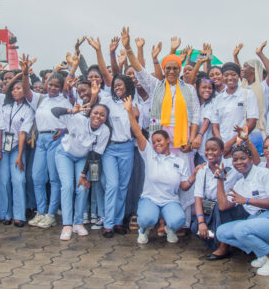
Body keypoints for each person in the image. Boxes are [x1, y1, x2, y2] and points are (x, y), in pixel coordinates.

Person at [122, 27, 200, 232]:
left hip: (182, 143)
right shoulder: (156, 87)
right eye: (168, 69)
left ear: (180, 69)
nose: (172, 72)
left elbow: (195, 117)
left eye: (176, 68)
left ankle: (180, 223)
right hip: (160, 143)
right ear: (164, 70)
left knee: (180, 181)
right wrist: (129, 48)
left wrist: (191, 141)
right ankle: (159, 221)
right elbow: (139, 70)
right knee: (157, 180)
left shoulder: (189, 89)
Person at [124, 95, 195, 245]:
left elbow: (184, 186)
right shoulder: (149, 155)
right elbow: (137, 132)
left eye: (159, 141)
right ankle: (143, 230)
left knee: (179, 220)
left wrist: (194, 175)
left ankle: (170, 228)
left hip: (170, 201)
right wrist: (130, 112)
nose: (156, 144)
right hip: (150, 199)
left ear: (168, 140)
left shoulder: (179, 161)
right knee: (147, 218)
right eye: (153, 142)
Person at [215, 144, 269, 277]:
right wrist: (220, 181)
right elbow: (223, 206)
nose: (239, 162)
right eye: (235, 159)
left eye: (243, 158)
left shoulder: (264, 173)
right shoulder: (240, 183)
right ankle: (263, 253)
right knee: (222, 233)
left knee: (241, 229)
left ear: (251, 159)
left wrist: (246, 200)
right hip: (256, 220)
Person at [88, 42, 139, 237]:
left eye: (121, 84)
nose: (117, 87)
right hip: (109, 149)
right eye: (115, 84)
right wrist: (100, 51)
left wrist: (132, 113)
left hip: (127, 148)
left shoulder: (133, 102)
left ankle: (118, 221)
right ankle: (108, 223)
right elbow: (106, 72)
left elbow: (136, 130)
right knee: (112, 185)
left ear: (127, 86)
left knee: (123, 186)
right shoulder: (107, 100)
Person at [21, 55, 71, 229]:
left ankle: (51, 214)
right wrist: (25, 72)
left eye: (57, 86)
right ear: (46, 84)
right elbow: (26, 90)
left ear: (61, 87)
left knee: (54, 179)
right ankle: (40, 211)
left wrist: (63, 130)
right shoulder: (40, 99)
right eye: (50, 84)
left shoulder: (65, 101)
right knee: (37, 177)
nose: (53, 88)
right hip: (40, 139)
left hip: (56, 139)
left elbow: (72, 123)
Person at [52, 97, 111, 240]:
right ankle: (67, 225)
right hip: (65, 154)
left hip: (83, 158)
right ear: (90, 113)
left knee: (83, 187)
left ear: (106, 118)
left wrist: (83, 174)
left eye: (102, 115)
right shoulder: (78, 119)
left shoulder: (105, 131)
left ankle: (78, 223)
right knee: (67, 186)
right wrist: (71, 110)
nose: (98, 117)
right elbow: (54, 111)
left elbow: (95, 155)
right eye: (95, 113)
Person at [192, 137, 243, 259]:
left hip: (229, 209)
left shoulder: (232, 167)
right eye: (207, 150)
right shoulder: (202, 170)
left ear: (222, 151)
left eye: (214, 150)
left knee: (220, 209)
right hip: (209, 207)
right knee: (196, 228)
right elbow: (198, 198)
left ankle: (224, 246)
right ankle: (217, 241)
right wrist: (201, 222)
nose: (210, 153)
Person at [0, 78, 34, 227]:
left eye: (20, 88)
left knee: (18, 180)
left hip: (18, 148)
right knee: (3, 180)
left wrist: (19, 156)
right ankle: (6, 213)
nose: (16, 91)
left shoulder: (29, 109)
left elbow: (23, 132)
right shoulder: (4, 106)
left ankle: (19, 215)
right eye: (14, 89)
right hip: (3, 147)